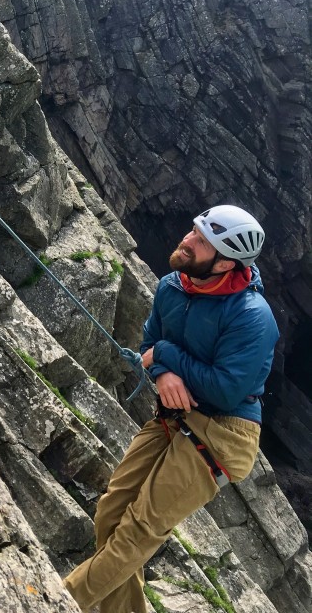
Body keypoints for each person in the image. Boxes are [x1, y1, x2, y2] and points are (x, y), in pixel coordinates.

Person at [64, 204, 279, 613]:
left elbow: (227, 389)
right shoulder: (173, 286)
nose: (188, 241)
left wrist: (164, 355)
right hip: (174, 414)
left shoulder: (253, 317)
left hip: (225, 432)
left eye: (201, 241)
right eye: (193, 231)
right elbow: (148, 345)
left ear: (225, 263)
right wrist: (162, 370)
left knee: (141, 527)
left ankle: (56, 601)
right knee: (112, 510)